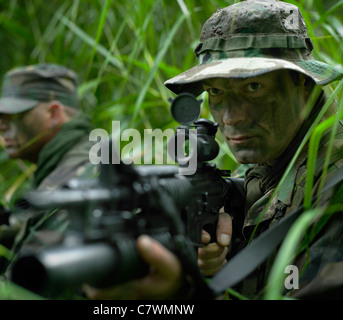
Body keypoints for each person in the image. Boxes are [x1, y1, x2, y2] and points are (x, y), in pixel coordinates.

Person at [84, 0, 343, 300]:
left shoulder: (334, 184)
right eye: (216, 92)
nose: (231, 117)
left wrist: (180, 293)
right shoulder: (270, 165)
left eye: (254, 88)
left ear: (305, 86)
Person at [0, 63, 96, 255]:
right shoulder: (83, 157)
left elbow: (17, 285)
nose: (0, 125)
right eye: (0, 116)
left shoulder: (66, 185)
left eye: (13, 114)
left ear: (53, 114)